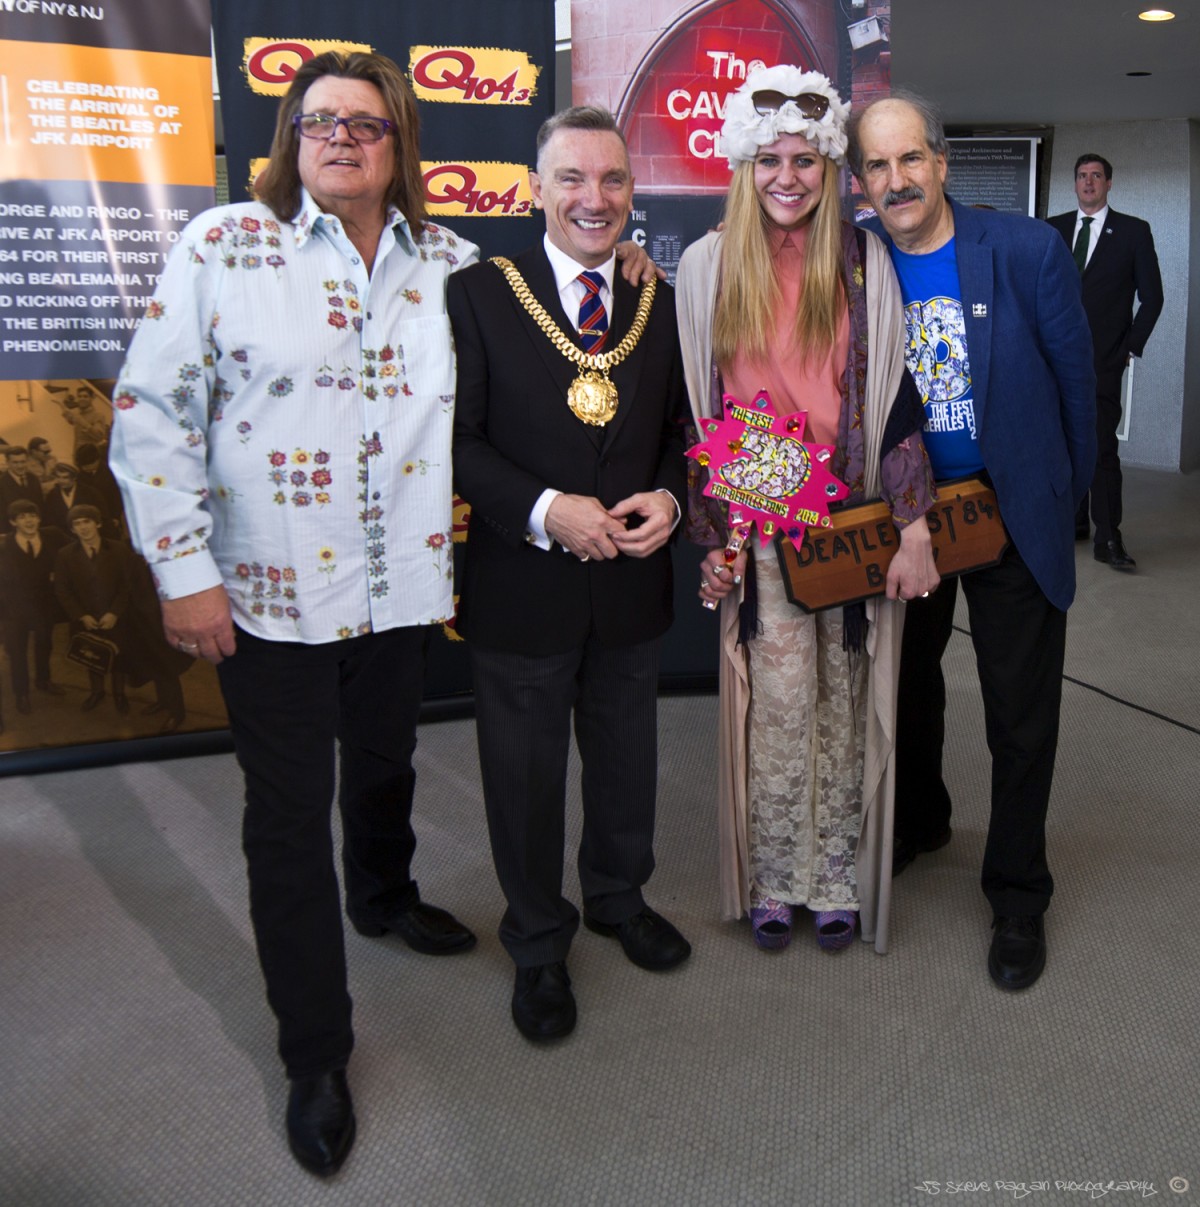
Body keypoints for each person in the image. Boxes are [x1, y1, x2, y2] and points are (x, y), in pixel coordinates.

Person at [109, 50, 481, 1179]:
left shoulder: (452, 263)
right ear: (290, 135)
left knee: (385, 761)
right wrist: (183, 569)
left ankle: (385, 892)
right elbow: (154, 409)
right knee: (285, 818)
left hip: (401, 586)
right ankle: (316, 1051)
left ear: (400, 144)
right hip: (268, 593)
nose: (343, 137)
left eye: (368, 123)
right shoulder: (225, 244)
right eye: (320, 120)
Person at [676, 67, 938, 957]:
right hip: (763, 521)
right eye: (770, 161)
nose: (788, 178)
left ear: (831, 171)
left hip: (851, 519)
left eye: (807, 161)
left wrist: (911, 524)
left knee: (846, 698)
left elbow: (897, 398)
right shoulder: (710, 263)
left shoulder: (862, 262)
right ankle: (773, 879)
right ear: (744, 167)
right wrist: (713, 538)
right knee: (778, 704)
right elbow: (696, 406)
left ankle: (834, 876)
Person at [450, 105, 691, 1044]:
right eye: (573, 180)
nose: (595, 200)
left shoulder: (659, 299)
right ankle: (539, 941)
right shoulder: (475, 295)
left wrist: (669, 502)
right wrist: (550, 510)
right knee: (524, 774)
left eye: (613, 181)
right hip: (526, 581)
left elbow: (681, 432)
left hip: (632, 580)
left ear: (633, 192)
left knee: (629, 757)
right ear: (536, 188)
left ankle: (619, 896)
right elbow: (457, 444)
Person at [846, 91, 1096, 990]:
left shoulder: (1025, 250)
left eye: (909, 158)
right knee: (906, 687)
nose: (896, 179)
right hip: (906, 515)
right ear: (860, 182)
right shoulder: (857, 259)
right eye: (876, 165)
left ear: (941, 163)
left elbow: (1078, 386)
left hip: (1009, 507)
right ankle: (921, 821)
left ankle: (1020, 893)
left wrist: (1063, 506)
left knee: (1018, 711)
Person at [1047, 154, 1163, 569]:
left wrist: (1130, 347)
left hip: (1102, 362)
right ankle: (1074, 522)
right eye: (1082, 176)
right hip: (1053, 361)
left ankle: (1108, 537)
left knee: (1100, 448)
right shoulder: (1052, 229)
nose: (1089, 182)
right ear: (1074, 183)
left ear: (1109, 183)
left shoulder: (1133, 232)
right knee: (1058, 444)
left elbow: (1153, 298)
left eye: (1097, 176)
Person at [53, 505, 136, 713]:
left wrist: (114, 612)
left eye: (87, 522)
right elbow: (62, 589)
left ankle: (119, 695)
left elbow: (128, 585)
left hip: (116, 617)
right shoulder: (65, 554)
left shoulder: (118, 549)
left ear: (98, 523)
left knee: (119, 658)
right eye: (77, 524)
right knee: (91, 656)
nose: (83, 528)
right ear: (72, 529)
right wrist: (81, 615)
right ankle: (96, 692)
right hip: (86, 619)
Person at [0, 499, 69, 713]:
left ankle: (44, 680)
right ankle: (22, 694)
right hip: (13, 611)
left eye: (32, 515)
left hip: (44, 607)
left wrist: (60, 575)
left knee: (44, 644)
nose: (28, 521)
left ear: (39, 518)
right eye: (22, 517)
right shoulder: (4, 545)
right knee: (18, 653)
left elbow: (75, 554)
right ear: (13, 522)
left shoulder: (53, 536)